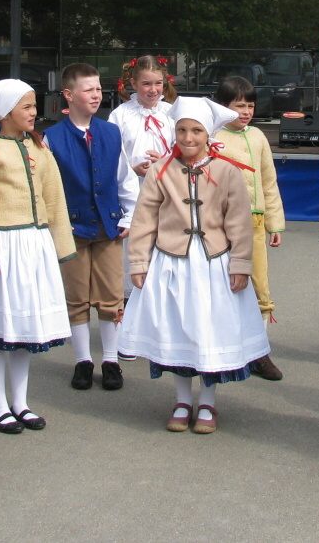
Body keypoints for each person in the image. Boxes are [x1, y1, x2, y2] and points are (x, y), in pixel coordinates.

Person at [117, 96, 270, 434]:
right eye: (182, 130)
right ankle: (183, 399)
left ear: (208, 134)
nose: (188, 138)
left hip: (212, 264)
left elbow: (239, 223)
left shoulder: (226, 171)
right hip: (172, 263)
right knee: (179, 329)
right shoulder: (160, 171)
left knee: (208, 331)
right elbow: (144, 221)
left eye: (196, 131)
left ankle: (208, 403)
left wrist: (241, 264)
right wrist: (139, 262)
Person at [0, 79, 75, 434]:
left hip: (35, 245)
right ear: (5, 113)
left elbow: (54, 198)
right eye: (26, 107)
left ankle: (21, 402)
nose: (34, 112)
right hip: (3, 247)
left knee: (24, 327)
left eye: (32, 106)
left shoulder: (40, 148)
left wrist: (60, 246)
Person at [44, 63, 139, 391]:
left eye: (99, 89)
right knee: (77, 297)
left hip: (109, 228)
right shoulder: (52, 138)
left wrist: (128, 216)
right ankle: (83, 360)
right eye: (89, 89)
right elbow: (48, 189)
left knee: (112, 295)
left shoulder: (111, 132)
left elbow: (124, 178)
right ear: (69, 95)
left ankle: (110, 360)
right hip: (72, 230)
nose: (96, 95)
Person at [214, 76, 285, 381]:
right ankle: (222, 348)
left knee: (259, 284)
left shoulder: (257, 137)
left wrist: (274, 223)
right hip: (221, 225)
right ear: (223, 107)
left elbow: (268, 182)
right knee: (222, 285)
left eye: (250, 105)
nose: (245, 111)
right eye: (238, 105)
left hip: (255, 223)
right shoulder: (213, 136)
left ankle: (259, 352)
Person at [108, 55, 177, 360]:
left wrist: (164, 163)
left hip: (169, 196)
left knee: (166, 259)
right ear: (133, 84)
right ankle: (129, 332)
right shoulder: (120, 115)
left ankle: (162, 328)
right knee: (135, 262)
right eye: (146, 83)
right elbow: (113, 154)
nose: (152, 89)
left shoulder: (172, 113)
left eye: (158, 83)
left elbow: (187, 147)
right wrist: (133, 168)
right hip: (133, 196)